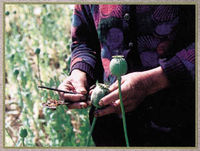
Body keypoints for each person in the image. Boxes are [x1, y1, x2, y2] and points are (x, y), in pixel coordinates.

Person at [58, 5, 195, 146]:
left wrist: (152, 82)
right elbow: (84, 40)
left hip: (181, 128)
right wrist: (80, 72)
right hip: (111, 130)